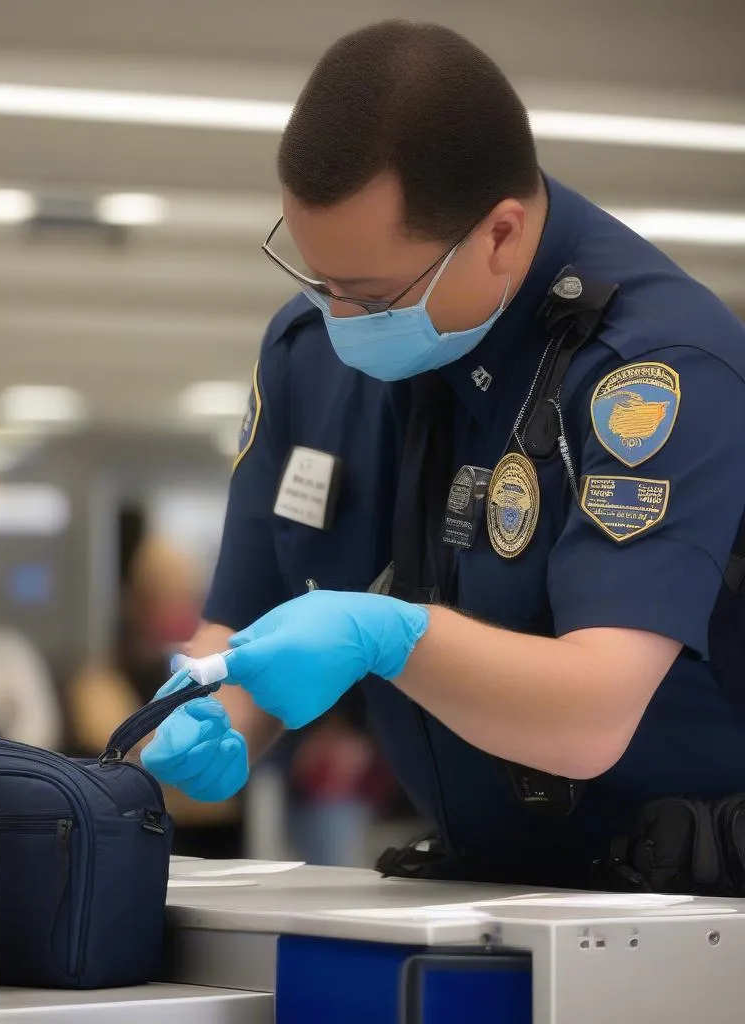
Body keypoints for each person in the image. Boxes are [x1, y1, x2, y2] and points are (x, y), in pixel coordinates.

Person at [141, 20, 745, 891]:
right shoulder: (309, 354)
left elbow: (591, 713)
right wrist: (218, 716)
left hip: (677, 911)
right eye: (317, 279)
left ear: (499, 234)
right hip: (470, 887)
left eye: (372, 293)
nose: (340, 318)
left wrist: (389, 639)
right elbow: (241, 623)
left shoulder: (649, 370)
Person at [70, 533, 244, 858]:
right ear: (139, 604)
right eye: (166, 598)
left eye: (188, 599)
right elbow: (121, 754)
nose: (180, 613)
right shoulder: (102, 678)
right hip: (140, 842)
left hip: (216, 844)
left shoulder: (211, 669)